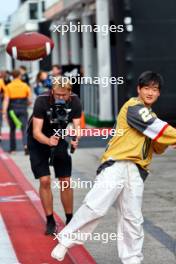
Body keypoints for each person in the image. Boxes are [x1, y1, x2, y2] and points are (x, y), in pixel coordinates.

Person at [51, 71, 176, 264]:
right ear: (139, 89)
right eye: (147, 88)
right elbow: (159, 129)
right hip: (116, 164)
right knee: (95, 206)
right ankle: (66, 240)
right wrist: (170, 135)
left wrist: (169, 140)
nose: (151, 92)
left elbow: (158, 146)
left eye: (155, 89)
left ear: (159, 94)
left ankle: (132, 259)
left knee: (133, 219)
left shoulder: (151, 116)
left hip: (136, 172)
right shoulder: (134, 107)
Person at [27, 78, 82, 235]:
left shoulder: (75, 101)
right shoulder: (42, 101)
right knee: (45, 180)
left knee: (65, 180)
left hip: (58, 136)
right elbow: (36, 132)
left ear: (69, 93)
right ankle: (50, 220)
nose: (60, 97)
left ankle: (70, 219)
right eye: (57, 94)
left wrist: (75, 139)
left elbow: (77, 126)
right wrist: (48, 141)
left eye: (63, 95)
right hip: (38, 140)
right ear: (52, 91)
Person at [3, 69, 32, 154]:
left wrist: (4, 112)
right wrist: (26, 103)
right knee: (24, 128)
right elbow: (29, 100)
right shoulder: (25, 85)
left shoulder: (9, 86)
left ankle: (13, 149)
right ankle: (26, 146)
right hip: (23, 108)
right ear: (20, 76)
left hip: (12, 110)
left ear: (12, 76)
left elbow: (6, 100)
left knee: (12, 129)